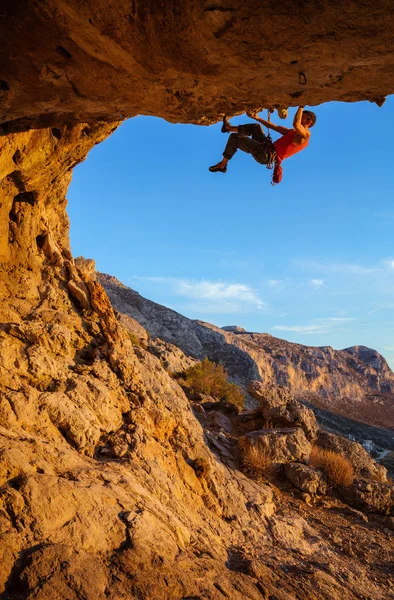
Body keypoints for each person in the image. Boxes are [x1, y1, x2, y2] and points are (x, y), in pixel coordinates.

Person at [209, 106, 316, 173]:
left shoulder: (305, 136)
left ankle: (222, 165)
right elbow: (276, 127)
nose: (300, 117)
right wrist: (257, 118)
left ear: (309, 121)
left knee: (235, 139)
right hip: (267, 148)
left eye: (303, 116)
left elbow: (296, 123)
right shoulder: (293, 132)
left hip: (265, 154)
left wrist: (301, 106)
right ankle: (228, 128)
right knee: (256, 127)